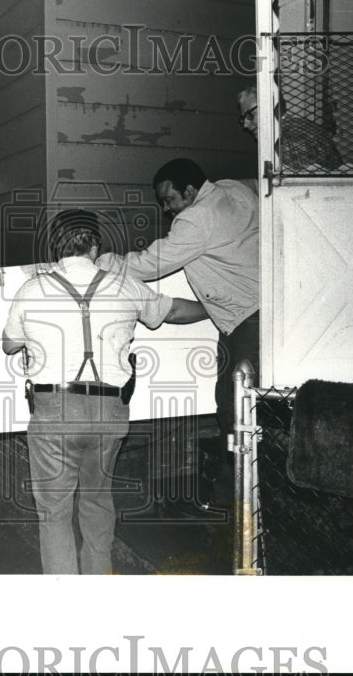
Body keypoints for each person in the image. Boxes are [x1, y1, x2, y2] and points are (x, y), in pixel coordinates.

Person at [2, 209, 207, 574]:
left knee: (54, 512)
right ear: (96, 245)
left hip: (54, 412)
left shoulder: (32, 289)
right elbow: (173, 311)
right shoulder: (125, 284)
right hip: (109, 412)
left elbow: (8, 345)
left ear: (55, 248)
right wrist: (216, 307)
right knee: (97, 503)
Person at [96, 157, 259, 509]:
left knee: (234, 407)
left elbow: (148, 264)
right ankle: (245, 487)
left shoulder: (195, 220)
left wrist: (103, 263)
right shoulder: (233, 190)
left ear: (190, 190)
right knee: (250, 402)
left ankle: (241, 498)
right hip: (258, 309)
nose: (167, 209)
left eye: (169, 200)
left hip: (249, 321)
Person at [239, 86, 342, 170]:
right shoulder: (295, 126)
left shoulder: (289, 140)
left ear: (270, 106)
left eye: (250, 115)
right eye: (243, 119)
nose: (245, 125)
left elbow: (299, 190)